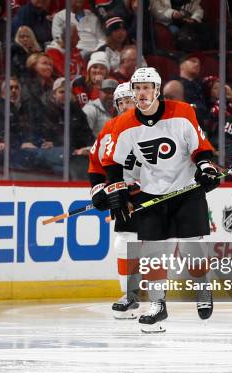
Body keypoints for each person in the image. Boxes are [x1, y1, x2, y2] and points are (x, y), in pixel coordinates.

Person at [102, 67, 219, 333]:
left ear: (157, 90)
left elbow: (200, 148)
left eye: (147, 88)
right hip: (153, 192)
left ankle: (202, 289)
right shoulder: (124, 123)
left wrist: (206, 168)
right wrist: (116, 189)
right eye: (137, 88)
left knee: (192, 247)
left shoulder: (182, 111)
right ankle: (158, 305)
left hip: (187, 189)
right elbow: (111, 161)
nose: (142, 93)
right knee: (154, 252)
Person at [89, 82, 140, 318]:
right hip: (123, 195)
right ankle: (129, 295)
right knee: (123, 243)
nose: (126, 106)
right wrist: (99, 190)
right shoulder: (109, 129)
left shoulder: (153, 125)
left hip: (153, 194)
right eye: (121, 102)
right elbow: (96, 165)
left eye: (129, 100)